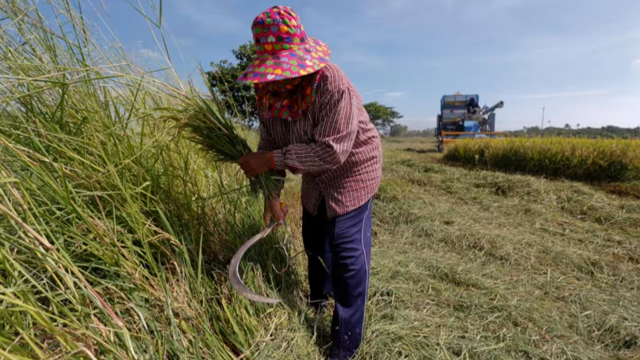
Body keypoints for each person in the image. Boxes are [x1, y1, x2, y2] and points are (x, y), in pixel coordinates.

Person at [236, 5, 382, 360]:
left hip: (352, 172)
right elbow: (269, 144)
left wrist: (272, 160)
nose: (280, 79)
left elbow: (333, 152)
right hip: (315, 179)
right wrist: (272, 196)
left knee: (348, 258)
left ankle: (344, 346)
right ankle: (318, 298)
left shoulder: (330, 81)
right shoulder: (267, 93)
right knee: (314, 242)